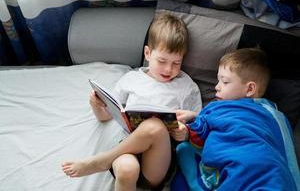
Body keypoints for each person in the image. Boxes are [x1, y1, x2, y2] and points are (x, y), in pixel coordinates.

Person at [61, 13, 202, 191]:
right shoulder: (132, 79)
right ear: (148, 53)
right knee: (127, 169)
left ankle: (102, 161)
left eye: (176, 63)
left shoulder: (187, 86)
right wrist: (96, 106)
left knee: (155, 126)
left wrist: (187, 131)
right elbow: (107, 116)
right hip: (127, 148)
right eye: (162, 61)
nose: (169, 69)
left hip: (159, 159)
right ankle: (109, 161)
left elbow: (201, 125)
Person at [173, 48, 300, 190]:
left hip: (249, 163)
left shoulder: (218, 107)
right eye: (217, 80)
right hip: (274, 174)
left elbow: (199, 131)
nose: (217, 87)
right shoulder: (277, 116)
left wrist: (187, 130)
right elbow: (287, 151)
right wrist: (197, 116)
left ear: (250, 89)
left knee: (184, 150)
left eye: (225, 82)